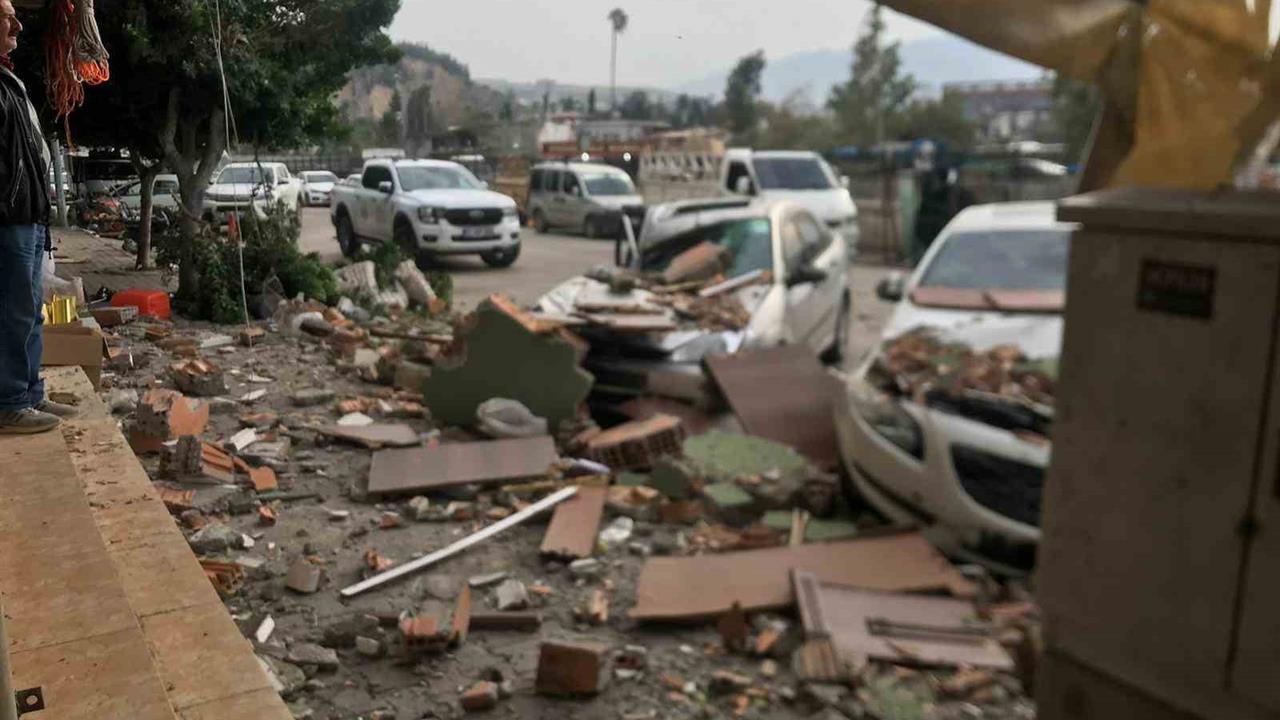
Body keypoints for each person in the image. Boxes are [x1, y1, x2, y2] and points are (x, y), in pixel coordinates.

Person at [0, 0, 76, 434]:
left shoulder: (9, 80)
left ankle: (29, 393)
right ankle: (9, 401)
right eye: (6, 16)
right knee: (11, 310)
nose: (18, 24)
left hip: (26, 217)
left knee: (29, 310)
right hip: (7, 218)